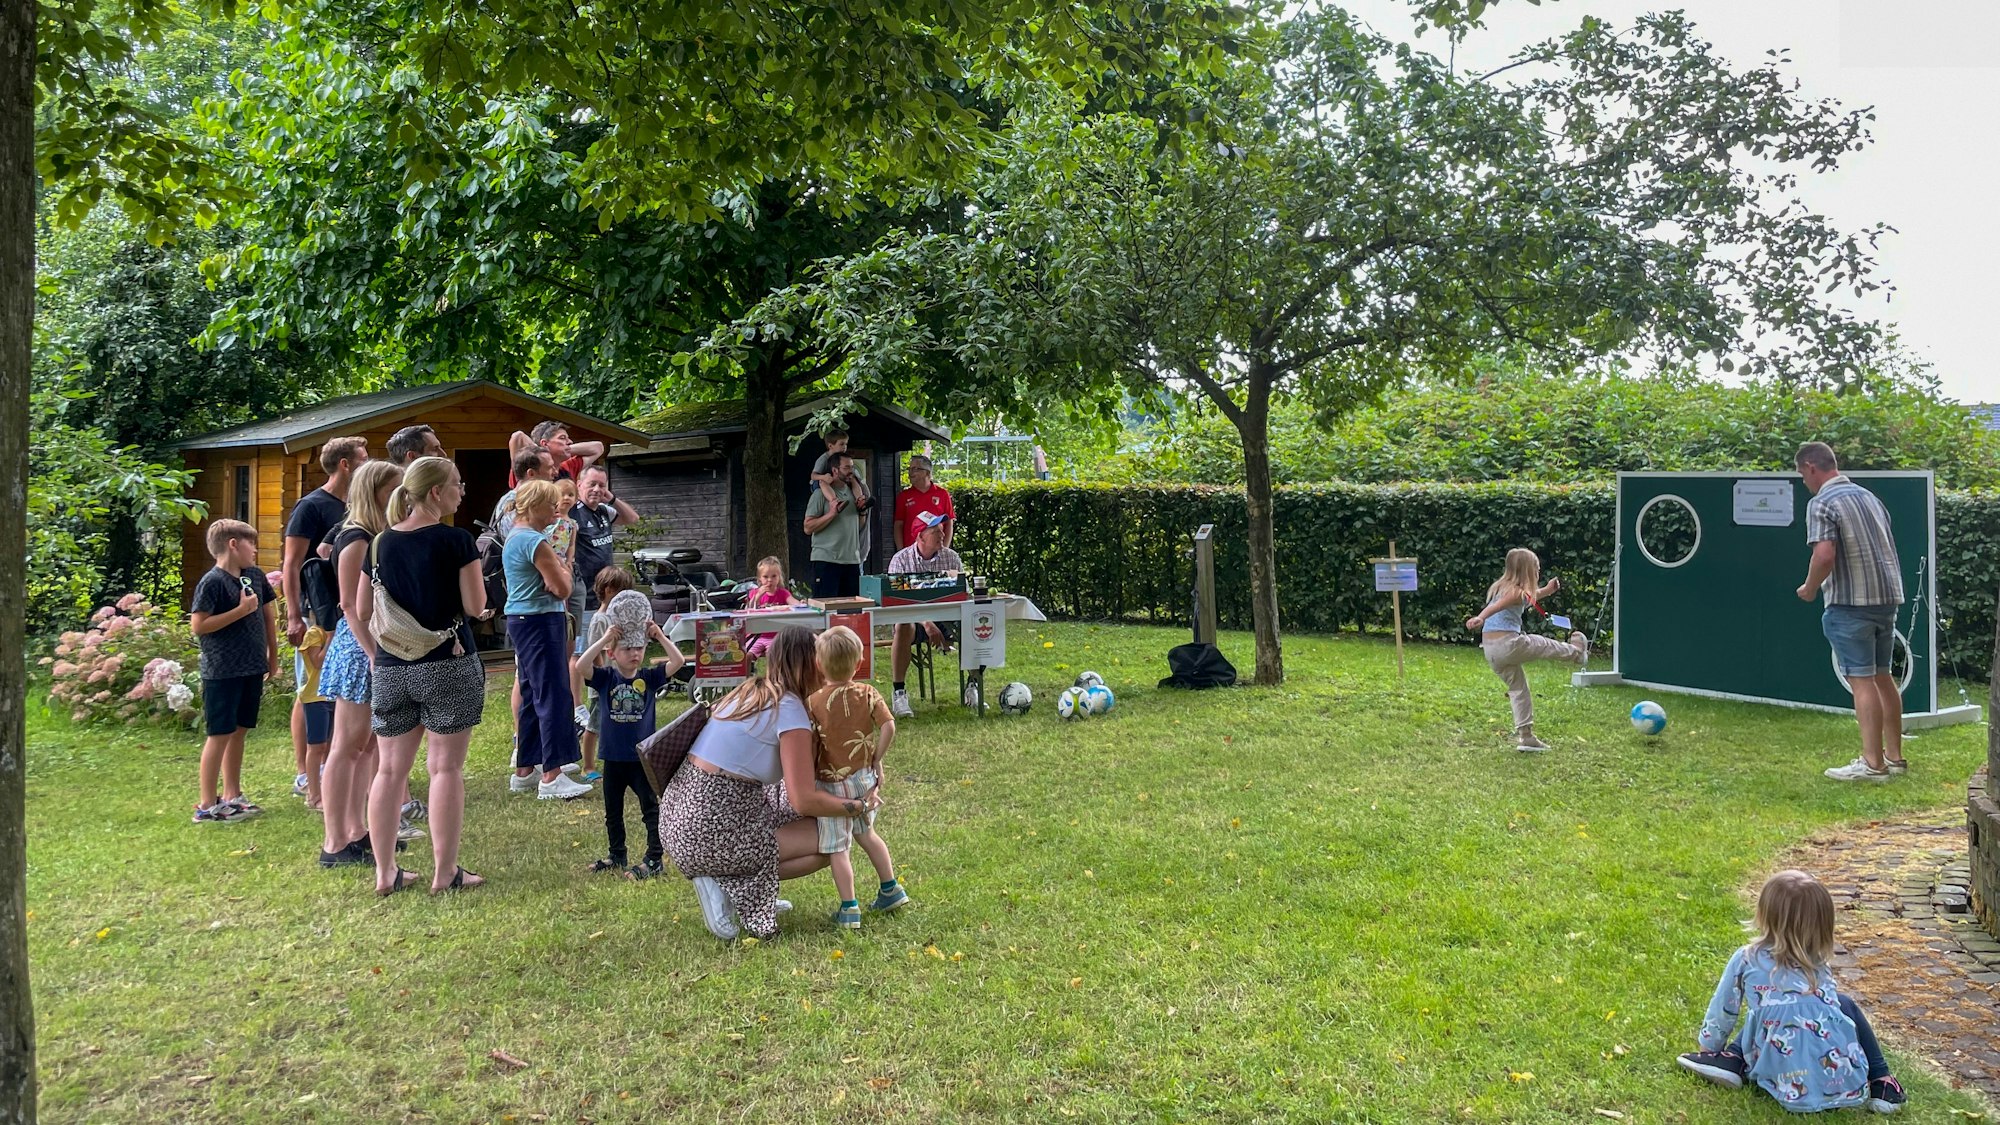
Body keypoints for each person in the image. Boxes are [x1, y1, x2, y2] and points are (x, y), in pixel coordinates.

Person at [660, 626, 880, 942]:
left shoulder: (751, 692)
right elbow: (803, 798)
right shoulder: (789, 711)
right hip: (708, 833)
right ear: (809, 663)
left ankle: (749, 886)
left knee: (817, 826)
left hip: (680, 820)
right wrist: (857, 807)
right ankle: (726, 885)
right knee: (831, 841)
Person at [357, 456, 492, 895]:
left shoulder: (378, 544)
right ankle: (445, 872)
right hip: (448, 663)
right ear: (435, 493)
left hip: (393, 667)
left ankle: (385, 872)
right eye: (457, 484)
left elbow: (362, 611)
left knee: (390, 771)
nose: (462, 491)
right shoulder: (456, 540)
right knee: (444, 769)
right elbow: (474, 607)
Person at [1676, 869, 1905, 1113]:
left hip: (1779, 1068)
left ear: (1765, 914)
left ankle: (1731, 1059)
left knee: (1769, 1010)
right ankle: (1882, 1081)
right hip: (1841, 1074)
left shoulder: (1747, 958)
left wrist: (1709, 1048)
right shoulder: (1819, 963)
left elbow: (1723, 1009)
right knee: (1842, 1003)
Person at [1795, 442, 1909, 782]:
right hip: (1887, 599)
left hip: (1850, 603)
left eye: (1802, 473)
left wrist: (1810, 587)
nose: (1803, 481)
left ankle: (1873, 764)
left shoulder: (1822, 503)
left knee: (1861, 681)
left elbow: (1825, 555)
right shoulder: (1869, 498)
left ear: (1812, 468)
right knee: (1882, 676)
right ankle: (1895, 757)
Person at [317, 459, 402, 868]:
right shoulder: (355, 539)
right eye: (394, 490)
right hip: (358, 650)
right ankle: (335, 840)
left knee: (367, 746)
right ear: (375, 493)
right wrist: (373, 657)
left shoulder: (378, 536)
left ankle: (357, 829)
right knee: (346, 746)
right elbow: (351, 606)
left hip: (373, 648)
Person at [282, 436, 368, 799]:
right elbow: (291, 562)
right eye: (363, 458)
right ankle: (305, 772)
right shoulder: (312, 506)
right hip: (314, 609)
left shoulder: (357, 506)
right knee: (310, 693)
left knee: (336, 691)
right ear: (345, 464)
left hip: (344, 610)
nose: (368, 462)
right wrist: (292, 614)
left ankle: (332, 763)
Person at [571, 618, 690, 880]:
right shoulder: (606, 679)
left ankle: (655, 858)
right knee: (612, 812)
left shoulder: (649, 677)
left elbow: (679, 661)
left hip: (640, 760)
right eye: (627, 649)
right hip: (613, 759)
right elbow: (581, 666)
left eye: (639, 648)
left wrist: (659, 636)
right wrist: (603, 640)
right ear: (612, 654)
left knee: (650, 809)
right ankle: (617, 854)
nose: (635, 653)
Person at [806, 626, 907, 929]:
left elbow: (811, 743)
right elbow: (889, 726)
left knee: (839, 847)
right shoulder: (868, 693)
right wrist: (876, 757)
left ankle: (849, 907)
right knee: (867, 835)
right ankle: (890, 888)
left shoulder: (813, 702)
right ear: (860, 660)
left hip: (832, 786)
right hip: (864, 781)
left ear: (819, 664)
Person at [503, 479, 591, 800]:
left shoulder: (515, 536)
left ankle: (525, 770)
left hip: (521, 620)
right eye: (551, 504)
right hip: (541, 621)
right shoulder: (536, 542)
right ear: (535, 505)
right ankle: (553, 776)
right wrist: (565, 566)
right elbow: (563, 588)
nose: (556, 509)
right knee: (553, 693)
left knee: (531, 693)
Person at [188, 519, 278, 824]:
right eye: (250, 543)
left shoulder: (254, 576)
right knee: (220, 733)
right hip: (221, 670)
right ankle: (206, 805)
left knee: (239, 730)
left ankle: (233, 795)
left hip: (251, 666)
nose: (255, 549)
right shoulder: (212, 582)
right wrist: (239, 611)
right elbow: (199, 625)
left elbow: (267, 616)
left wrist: (272, 656)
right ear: (233, 544)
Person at [1465, 548, 1587, 752]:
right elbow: (1499, 607)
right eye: (1537, 569)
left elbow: (1529, 597)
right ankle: (1577, 653)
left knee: (1518, 689)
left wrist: (1547, 591)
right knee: (1543, 644)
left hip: (1491, 651)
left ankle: (1526, 736)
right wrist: (1481, 617)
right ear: (1527, 572)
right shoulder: (1513, 592)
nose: (1538, 573)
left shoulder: (1502, 588)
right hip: (1508, 644)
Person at [886, 512, 964, 719]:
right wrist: (927, 622)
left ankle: (973, 686)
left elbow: (962, 594)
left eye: (941, 529)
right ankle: (899, 692)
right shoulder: (900, 560)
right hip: (914, 620)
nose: (942, 534)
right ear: (920, 537)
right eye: (935, 531)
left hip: (947, 617)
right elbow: (900, 602)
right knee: (903, 624)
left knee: (975, 622)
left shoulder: (951, 558)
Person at [576, 565, 641, 780]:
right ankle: (587, 766)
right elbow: (596, 651)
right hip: (604, 682)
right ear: (609, 590)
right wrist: (604, 678)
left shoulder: (617, 617)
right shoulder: (600, 619)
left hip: (621, 679)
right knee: (595, 725)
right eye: (622, 593)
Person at [569, 465, 639, 654]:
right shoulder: (572, 512)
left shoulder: (604, 511)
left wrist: (612, 499)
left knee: (604, 650)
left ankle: (599, 684)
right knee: (580, 653)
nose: (597, 490)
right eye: (592, 484)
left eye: (602, 485)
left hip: (606, 596)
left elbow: (632, 518)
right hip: (584, 595)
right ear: (579, 485)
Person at [802, 451, 868, 598]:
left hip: (851, 561)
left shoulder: (855, 493)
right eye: (846, 468)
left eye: (851, 467)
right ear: (834, 470)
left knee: (852, 614)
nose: (851, 471)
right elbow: (807, 527)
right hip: (826, 561)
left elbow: (859, 525)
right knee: (827, 613)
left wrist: (862, 512)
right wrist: (831, 514)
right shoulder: (819, 495)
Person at [507, 420, 603, 487]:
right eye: (562, 438)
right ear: (544, 444)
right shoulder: (527, 468)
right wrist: (542, 452)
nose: (570, 442)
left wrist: (565, 449)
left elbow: (598, 448)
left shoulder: (567, 467)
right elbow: (518, 436)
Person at [891, 453, 953, 550]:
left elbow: (949, 523)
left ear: (927, 473)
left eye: (915, 469)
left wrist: (944, 548)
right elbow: (898, 525)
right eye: (910, 469)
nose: (910, 473)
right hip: (911, 553)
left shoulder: (942, 494)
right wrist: (901, 550)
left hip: (937, 551)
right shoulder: (904, 496)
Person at [741, 556, 795, 661]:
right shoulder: (754, 593)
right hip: (756, 635)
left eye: (774, 576)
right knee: (745, 656)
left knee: (773, 656)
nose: (769, 580)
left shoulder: (783, 593)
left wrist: (801, 604)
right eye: (765, 577)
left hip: (775, 635)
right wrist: (758, 596)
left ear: (779, 577)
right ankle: (747, 677)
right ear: (760, 579)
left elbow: (794, 603)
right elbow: (748, 610)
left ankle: (770, 677)